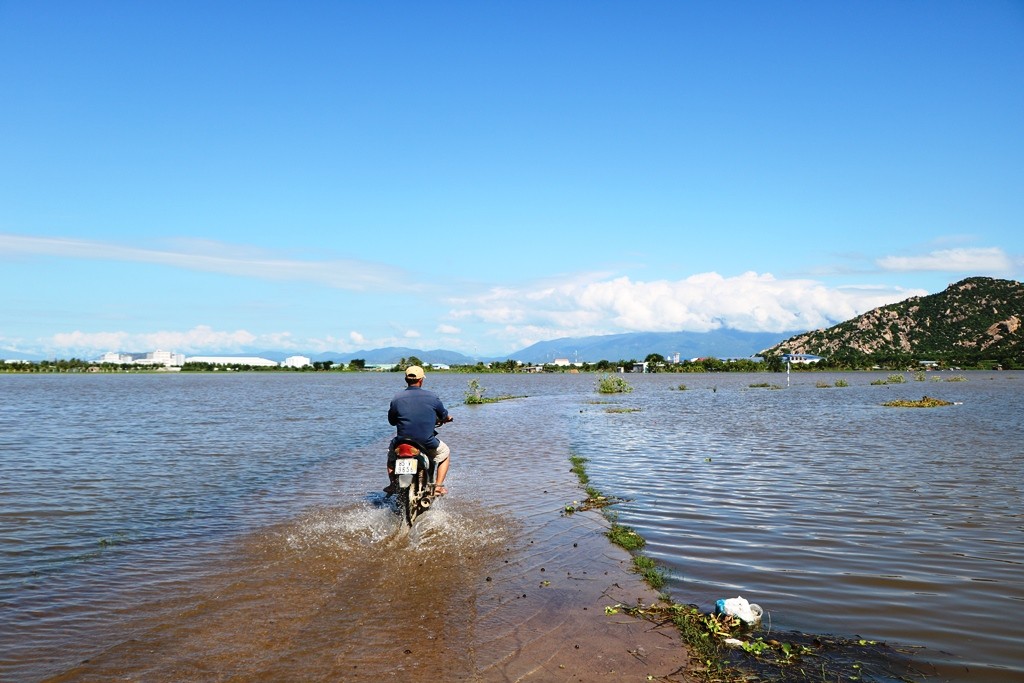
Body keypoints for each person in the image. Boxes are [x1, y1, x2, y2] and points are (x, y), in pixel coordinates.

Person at [384, 365, 453, 496]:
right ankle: (438, 487)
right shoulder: (432, 397)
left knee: (391, 457)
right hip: (426, 441)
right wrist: (446, 418)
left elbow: (392, 421)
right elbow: (443, 415)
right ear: (421, 380)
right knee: (445, 453)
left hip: (402, 442)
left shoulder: (396, 398)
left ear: (406, 379)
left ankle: (393, 484)